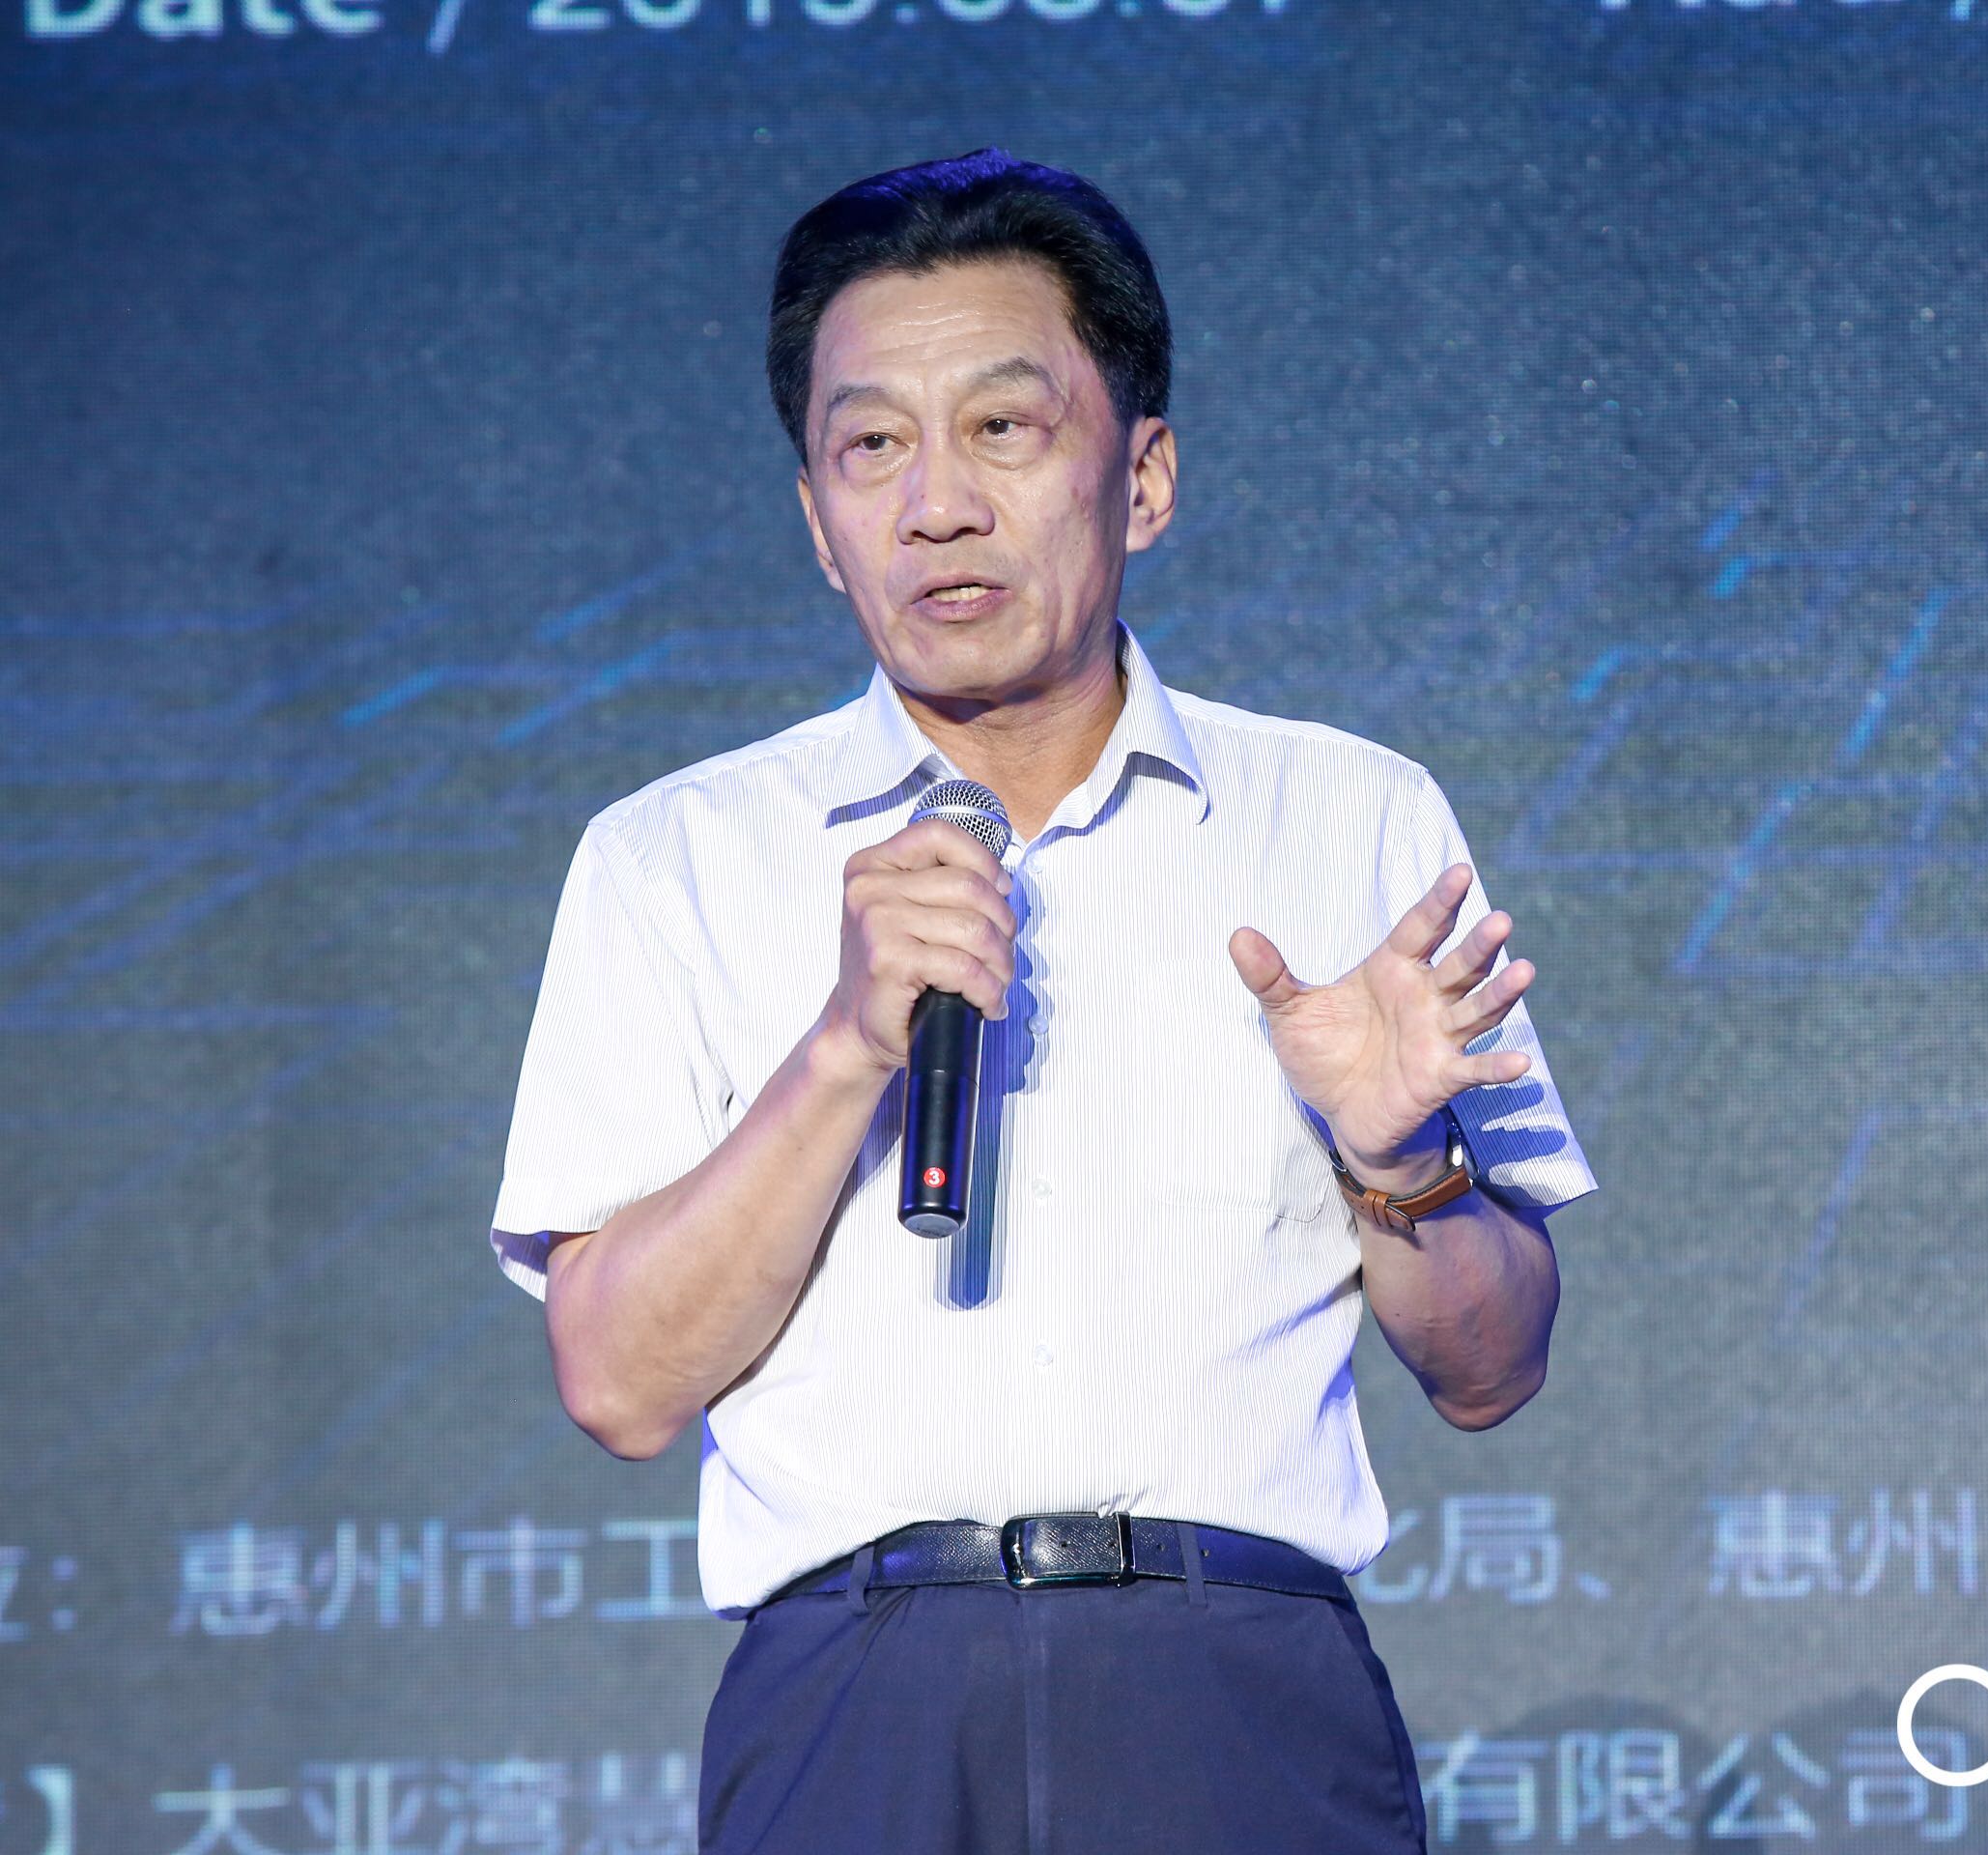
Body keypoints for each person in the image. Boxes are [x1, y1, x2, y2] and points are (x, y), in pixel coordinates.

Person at [484, 148, 1597, 1854]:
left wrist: (1399, 1164)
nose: (935, 504)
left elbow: (1495, 1365)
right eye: (871, 447)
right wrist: (847, 1046)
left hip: (1236, 1690)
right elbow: (620, 1384)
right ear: (817, 522)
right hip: (853, 1706)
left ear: (1142, 477)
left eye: (1003, 427)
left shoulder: (1348, 820)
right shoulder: (675, 857)